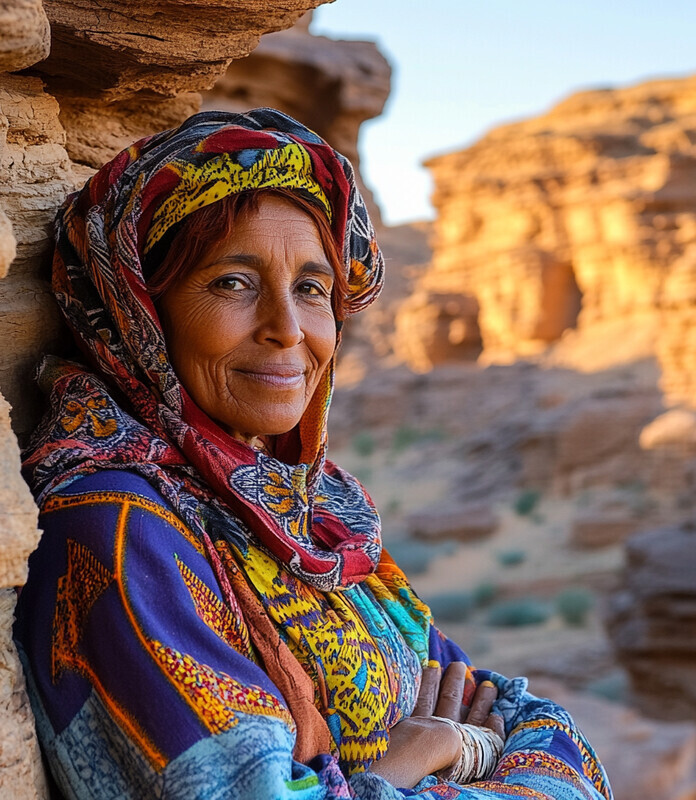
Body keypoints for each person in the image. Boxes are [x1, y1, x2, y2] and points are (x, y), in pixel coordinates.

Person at [14, 108, 613, 800]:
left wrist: (423, 760)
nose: (287, 329)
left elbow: (526, 719)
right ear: (141, 310)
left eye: (311, 288)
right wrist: (423, 754)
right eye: (232, 283)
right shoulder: (115, 532)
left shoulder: (309, 513)